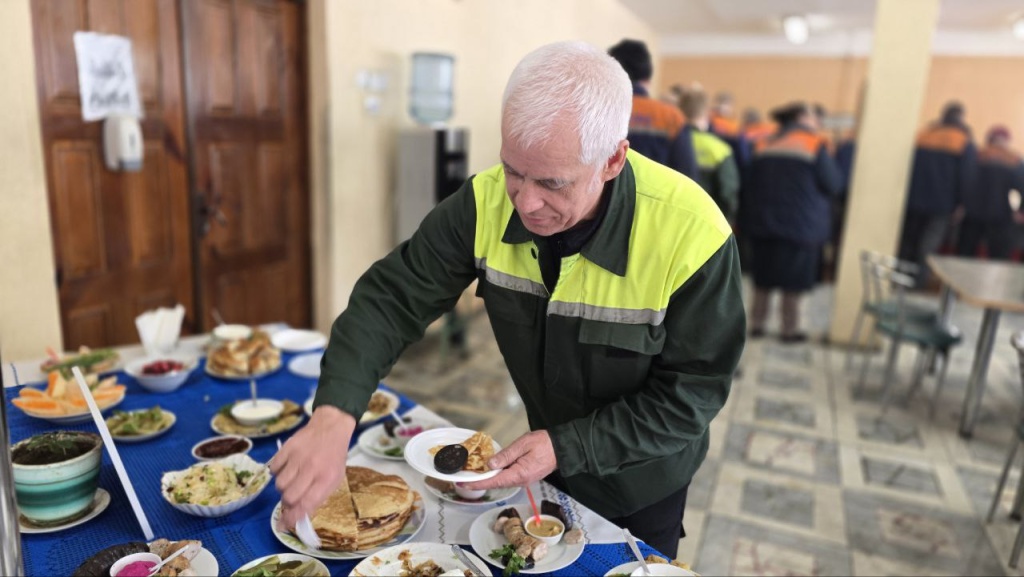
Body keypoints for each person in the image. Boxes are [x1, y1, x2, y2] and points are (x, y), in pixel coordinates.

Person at [271, 41, 745, 558]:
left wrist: (565, 447)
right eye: (513, 170)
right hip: (545, 464)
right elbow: (391, 299)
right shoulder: (487, 200)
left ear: (612, 159)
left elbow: (691, 396)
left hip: (643, 479)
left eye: (552, 182)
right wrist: (334, 416)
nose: (524, 201)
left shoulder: (693, 235)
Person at [743, 102, 841, 342]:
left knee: (762, 279)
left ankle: (757, 324)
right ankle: (790, 329)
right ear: (801, 117)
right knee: (794, 281)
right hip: (800, 226)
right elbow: (834, 184)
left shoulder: (764, 144)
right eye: (812, 116)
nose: (817, 122)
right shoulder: (814, 144)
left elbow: (749, 182)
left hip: (764, 223)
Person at [899, 101, 976, 287]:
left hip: (913, 200)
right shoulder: (963, 141)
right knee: (928, 245)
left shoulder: (923, 135)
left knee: (908, 240)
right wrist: (962, 204)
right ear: (961, 118)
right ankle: (918, 285)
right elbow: (966, 177)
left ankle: (900, 281)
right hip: (942, 204)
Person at [608, 39, 698, 179]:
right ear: (648, 78)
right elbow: (687, 175)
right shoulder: (671, 116)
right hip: (657, 198)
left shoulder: (599, 111)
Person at [957, 125, 1024, 260]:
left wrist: (960, 204)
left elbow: (964, 181)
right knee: (998, 257)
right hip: (1001, 215)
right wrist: (1021, 210)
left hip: (973, 213)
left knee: (965, 254)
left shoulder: (977, 155)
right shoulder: (1014, 160)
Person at [678, 85, 740, 221]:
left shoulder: (671, 143)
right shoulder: (720, 149)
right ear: (705, 112)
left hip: (673, 219)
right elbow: (728, 194)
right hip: (708, 222)